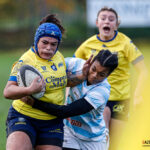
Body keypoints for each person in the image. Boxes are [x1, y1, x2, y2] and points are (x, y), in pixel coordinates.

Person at [3, 14, 89, 150]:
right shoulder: (26, 60)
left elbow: (62, 82)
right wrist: (29, 90)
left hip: (52, 122)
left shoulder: (59, 57)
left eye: (53, 44)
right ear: (37, 41)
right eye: (45, 43)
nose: (49, 48)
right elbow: (8, 91)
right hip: (25, 117)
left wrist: (82, 75)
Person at [74, 6, 148, 150]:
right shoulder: (88, 44)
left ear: (116, 24)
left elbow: (143, 71)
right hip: (98, 96)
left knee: (115, 144)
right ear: (97, 23)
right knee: (101, 138)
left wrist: (138, 94)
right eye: (103, 18)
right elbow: (73, 66)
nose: (107, 21)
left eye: (111, 19)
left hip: (121, 98)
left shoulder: (125, 43)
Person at [21, 49, 118, 150]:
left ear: (108, 75)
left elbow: (66, 111)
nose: (94, 75)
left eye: (101, 74)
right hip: (69, 132)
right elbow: (52, 66)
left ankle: (106, 133)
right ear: (91, 61)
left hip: (93, 139)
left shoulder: (102, 91)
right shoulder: (76, 64)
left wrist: (34, 103)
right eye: (93, 69)